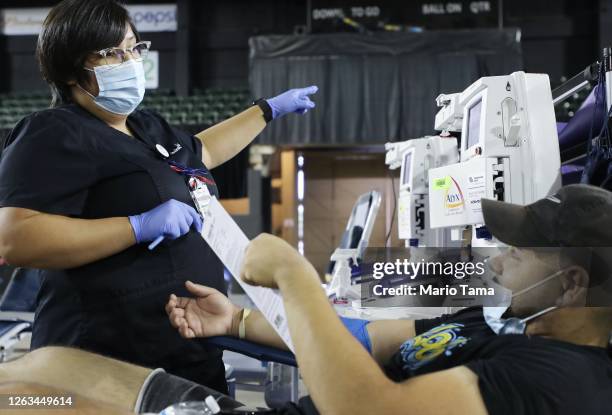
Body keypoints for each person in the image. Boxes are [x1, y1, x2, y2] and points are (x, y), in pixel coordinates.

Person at [2, 185, 610, 414]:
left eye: (520, 255)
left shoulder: (558, 379)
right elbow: (369, 342)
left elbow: (367, 411)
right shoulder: (499, 319)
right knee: (43, 367)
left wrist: (293, 275)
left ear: (575, 284)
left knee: (31, 404)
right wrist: (238, 317)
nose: (498, 262)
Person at [0, 0, 317, 392]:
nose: (129, 61)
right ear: (70, 68)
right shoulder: (52, 132)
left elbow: (202, 152)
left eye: (133, 48)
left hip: (189, 348)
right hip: (106, 360)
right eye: (111, 53)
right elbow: (16, 238)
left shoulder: (147, 126)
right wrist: (136, 226)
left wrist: (267, 110)